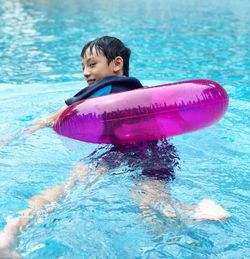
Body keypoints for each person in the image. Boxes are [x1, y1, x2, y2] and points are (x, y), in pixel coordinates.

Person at [0, 36, 229, 257]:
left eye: (92, 64)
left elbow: (56, 117)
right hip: (157, 151)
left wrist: (18, 134)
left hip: (119, 152)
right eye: (83, 67)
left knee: (72, 184)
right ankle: (193, 213)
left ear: (117, 64)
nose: (86, 72)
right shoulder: (140, 90)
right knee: (152, 206)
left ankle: (15, 229)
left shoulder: (107, 87)